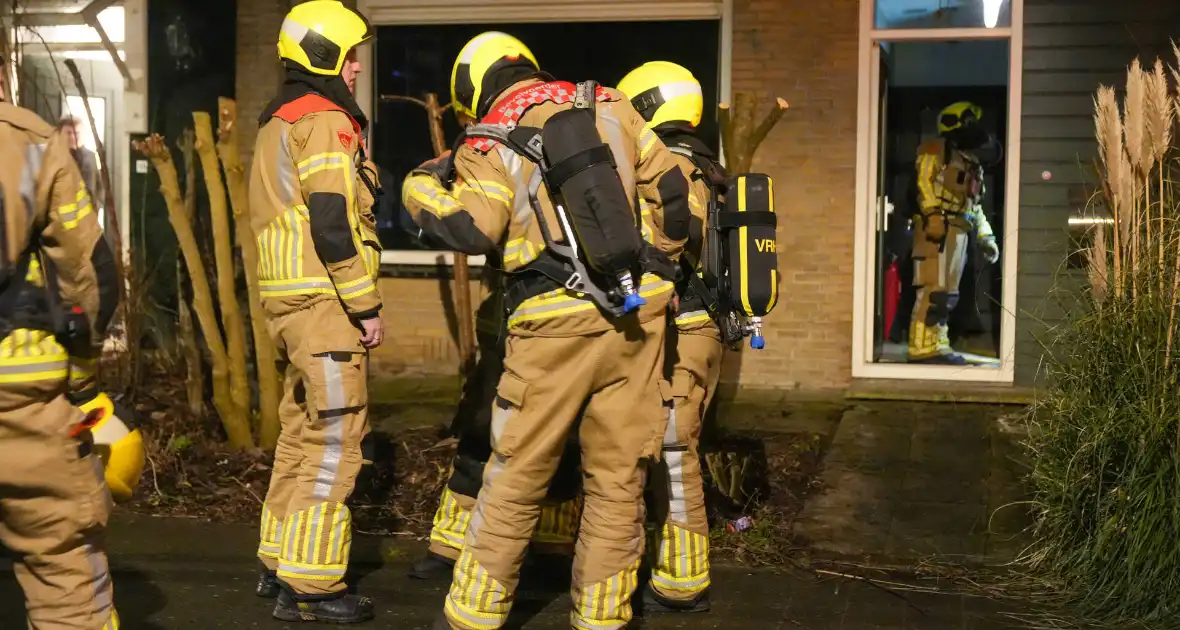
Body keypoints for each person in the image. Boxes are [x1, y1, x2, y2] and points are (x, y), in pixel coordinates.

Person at [402, 31, 692, 630]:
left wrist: (420, 188)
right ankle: (604, 617)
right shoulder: (610, 104)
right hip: (638, 320)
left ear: (476, 86)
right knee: (617, 481)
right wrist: (659, 263)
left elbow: (475, 229)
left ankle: (475, 615)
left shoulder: (490, 136)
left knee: (515, 474)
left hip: (550, 326)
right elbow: (672, 194)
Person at [247, 1, 384, 623]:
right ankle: (312, 586)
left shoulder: (277, 121)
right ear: (325, 55)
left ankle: (278, 561)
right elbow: (333, 222)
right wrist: (366, 304)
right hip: (326, 305)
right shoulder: (326, 121)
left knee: (302, 435)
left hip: (288, 306)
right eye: (350, 55)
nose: (356, 68)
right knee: (336, 441)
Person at [0, 52, 123, 630]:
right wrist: (80, 381)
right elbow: (89, 273)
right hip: (16, 393)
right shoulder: (23, 141)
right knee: (61, 563)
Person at [409, 258, 583, 580]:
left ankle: (551, 544)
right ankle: (451, 545)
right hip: (505, 324)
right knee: (480, 432)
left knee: (562, 437)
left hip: (571, 326)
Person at [909, 101, 1001, 365]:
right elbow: (924, 182)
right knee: (932, 289)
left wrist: (986, 237)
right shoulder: (936, 151)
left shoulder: (969, 162)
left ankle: (937, 344)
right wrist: (933, 214)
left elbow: (975, 206)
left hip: (960, 228)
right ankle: (921, 348)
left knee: (948, 294)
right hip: (937, 230)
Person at [58, 116, 107, 232]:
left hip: (89, 218)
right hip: (65, 223)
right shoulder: (56, 158)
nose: (73, 136)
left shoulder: (90, 156)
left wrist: (98, 205)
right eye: (68, 133)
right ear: (60, 135)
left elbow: (100, 185)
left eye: (77, 132)